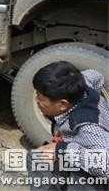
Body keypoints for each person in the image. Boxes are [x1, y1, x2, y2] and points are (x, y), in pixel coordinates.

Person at [29, 62, 108, 190]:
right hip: (81, 149)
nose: (36, 100)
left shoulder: (88, 127)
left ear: (63, 104)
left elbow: (105, 165)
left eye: (41, 98)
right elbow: (97, 75)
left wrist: (63, 149)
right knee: (37, 158)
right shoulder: (82, 83)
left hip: (99, 175)